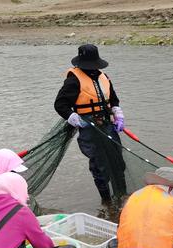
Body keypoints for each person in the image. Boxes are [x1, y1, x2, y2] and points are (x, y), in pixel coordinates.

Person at [54, 44, 127, 202]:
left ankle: (120, 197)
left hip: (107, 124)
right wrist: (75, 118)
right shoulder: (73, 80)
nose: (92, 69)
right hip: (88, 127)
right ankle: (106, 201)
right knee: (99, 165)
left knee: (117, 161)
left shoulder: (104, 77)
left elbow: (113, 99)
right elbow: (60, 105)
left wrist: (118, 114)